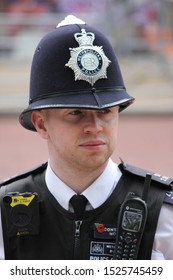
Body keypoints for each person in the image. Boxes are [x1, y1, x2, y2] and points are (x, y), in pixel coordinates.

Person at [0, 15, 173, 260]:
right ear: (41, 124)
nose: (95, 127)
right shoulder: (3, 213)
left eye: (106, 111)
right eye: (75, 113)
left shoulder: (163, 213)